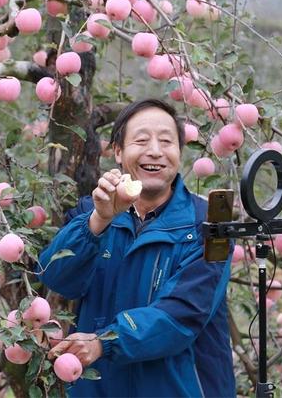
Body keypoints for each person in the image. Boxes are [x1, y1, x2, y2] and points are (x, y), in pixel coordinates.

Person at [37, 98, 236, 397]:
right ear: (118, 151)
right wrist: (98, 221)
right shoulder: (91, 212)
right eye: (141, 140)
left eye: (167, 141)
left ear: (179, 154)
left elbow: (182, 315)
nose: (155, 151)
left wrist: (106, 342)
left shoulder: (206, 225)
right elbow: (56, 277)